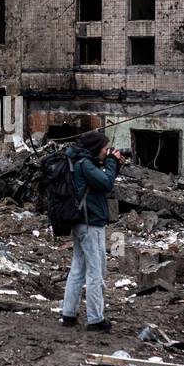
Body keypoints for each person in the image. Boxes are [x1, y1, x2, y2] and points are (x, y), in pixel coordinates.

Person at [59, 131, 123, 333]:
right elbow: (106, 183)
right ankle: (95, 319)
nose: (107, 152)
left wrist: (115, 164)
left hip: (80, 223)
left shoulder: (79, 162)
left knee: (78, 268)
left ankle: (68, 314)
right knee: (96, 271)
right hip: (90, 223)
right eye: (105, 148)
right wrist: (113, 162)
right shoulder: (85, 164)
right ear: (96, 148)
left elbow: (101, 183)